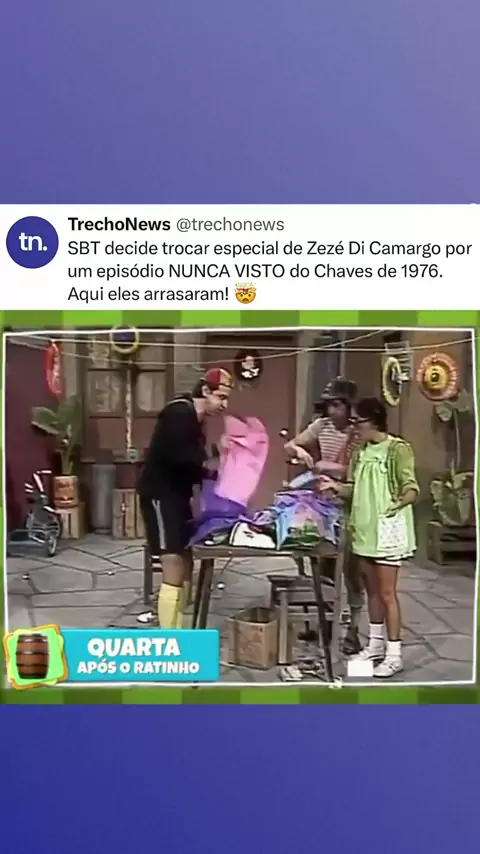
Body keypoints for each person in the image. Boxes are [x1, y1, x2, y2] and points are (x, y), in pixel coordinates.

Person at [318, 396, 419, 678]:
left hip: (387, 530)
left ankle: (394, 654)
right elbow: (354, 487)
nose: (353, 428)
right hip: (363, 530)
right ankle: (374, 646)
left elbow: (410, 486)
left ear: (373, 421)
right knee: (371, 591)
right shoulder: (359, 452)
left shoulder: (397, 449)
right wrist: (334, 486)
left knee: (387, 593)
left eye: (357, 422)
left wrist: (401, 501)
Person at [136, 368, 233, 629]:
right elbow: (183, 458)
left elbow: (193, 464)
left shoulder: (196, 419)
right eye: (221, 397)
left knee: (186, 559)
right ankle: (171, 636)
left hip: (178, 496)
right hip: (160, 495)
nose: (224, 405)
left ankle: (181, 625)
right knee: (173, 561)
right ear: (205, 391)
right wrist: (213, 463)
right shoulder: (180, 413)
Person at [284, 377, 363, 654]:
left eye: (338, 405)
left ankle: (353, 630)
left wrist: (329, 467)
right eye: (330, 405)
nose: (332, 411)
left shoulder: (358, 431)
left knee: (351, 572)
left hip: (350, 505)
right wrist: (299, 451)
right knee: (321, 566)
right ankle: (323, 624)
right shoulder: (322, 425)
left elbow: (361, 470)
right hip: (323, 504)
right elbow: (290, 445)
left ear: (349, 407)